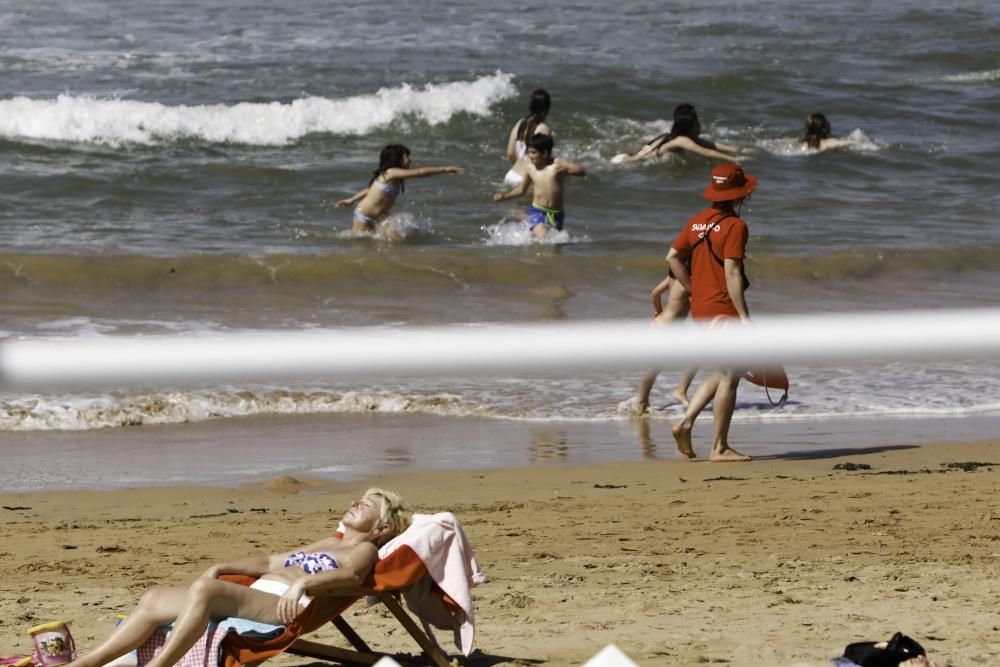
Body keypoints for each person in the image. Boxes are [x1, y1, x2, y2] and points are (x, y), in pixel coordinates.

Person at [69, 489, 410, 667]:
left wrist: (302, 583)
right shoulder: (327, 542)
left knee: (204, 590)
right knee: (153, 599)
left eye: (366, 505)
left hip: (284, 608)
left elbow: (351, 577)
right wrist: (222, 565)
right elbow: (268, 560)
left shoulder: (363, 551)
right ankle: (88, 663)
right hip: (262, 594)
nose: (355, 502)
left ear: (380, 528)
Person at [666, 162, 756, 462]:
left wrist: (693, 289)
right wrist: (743, 316)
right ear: (740, 195)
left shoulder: (696, 222)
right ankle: (719, 448)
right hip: (723, 307)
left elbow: (673, 257)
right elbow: (732, 273)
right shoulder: (735, 226)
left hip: (702, 307)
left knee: (721, 370)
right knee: (731, 375)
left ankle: (685, 422)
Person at [336, 145, 462, 234]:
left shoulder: (394, 178)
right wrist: (444, 169)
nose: (410, 159)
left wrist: (351, 200)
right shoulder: (390, 173)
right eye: (407, 156)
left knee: (394, 241)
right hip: (364, 216)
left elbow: (369, 190)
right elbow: (420, 172)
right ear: (397, 159)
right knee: (360, 245)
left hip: (380, 218)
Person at [493, 133, 585, 240]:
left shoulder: (557, 164)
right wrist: (505, 197)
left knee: (553, 241)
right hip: (538, 210)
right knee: (542, 235)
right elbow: (522, 189)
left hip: (556, 213)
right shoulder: (529, 168)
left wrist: (569, 170)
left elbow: (581, 171)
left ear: (545, 153)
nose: (530, 155)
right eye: (528, 152)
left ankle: (536, 254)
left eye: (533, 152)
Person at [635, 275, 697, 413]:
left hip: (664, 323)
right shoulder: (688, 282)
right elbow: (697, 304)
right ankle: (644, 397)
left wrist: (658, 311)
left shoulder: (672, 278)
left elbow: (655, 293)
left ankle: (643, 397)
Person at [614, 103, 750, 164]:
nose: (699, 126)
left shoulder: (677, 136)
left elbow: (712, 146)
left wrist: (739, 150)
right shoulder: (682, 141)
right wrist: (735, 160)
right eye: (697, 123)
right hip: (626, 163)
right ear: (691, 127)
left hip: (626, 157)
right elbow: (706, 152)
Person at [504, 89, 552, 187]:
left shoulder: (520, 123)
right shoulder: (543, 128)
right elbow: (544, 159)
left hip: (511, 175)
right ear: (546, 109)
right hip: (526, 179)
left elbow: (510, 153)